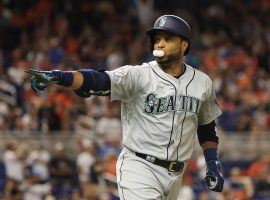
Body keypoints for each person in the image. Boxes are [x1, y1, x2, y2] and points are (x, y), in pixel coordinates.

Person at [26, 15, 224, 199]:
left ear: (184, 45)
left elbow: (206, 125)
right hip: (140, 167)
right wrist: (62, 77)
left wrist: (212, 162)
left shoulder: (202, 82)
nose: (159, 43)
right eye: (156, 39)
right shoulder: (138, 75)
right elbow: (98, 79)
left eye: (167, 38)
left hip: (176, 174)